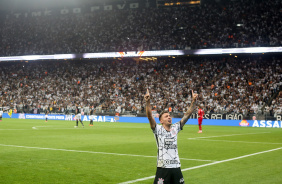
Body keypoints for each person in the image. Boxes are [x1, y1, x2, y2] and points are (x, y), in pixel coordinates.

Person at [144, 89, 198, 184]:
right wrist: (147, 102)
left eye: (169, 116)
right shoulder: (158, 129)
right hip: (163, 168)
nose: (169, 117)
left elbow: (187, 114)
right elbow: (149, 116)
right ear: (161, 121)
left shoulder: (175, 128)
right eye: (166, 116)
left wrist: (193, 101)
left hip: (176, 167)